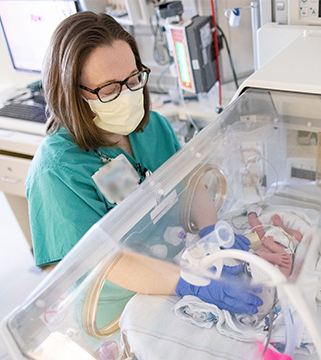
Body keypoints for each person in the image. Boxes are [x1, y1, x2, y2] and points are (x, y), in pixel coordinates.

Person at [26, 12, 261, 324]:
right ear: (73, 94)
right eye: (109, 89)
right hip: (117, 310)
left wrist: (211, 232)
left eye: (134, 79)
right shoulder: (57, 171)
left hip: (177, 274)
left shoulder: (151, 127)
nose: (128, 95)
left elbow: (190, 183)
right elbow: (104, 261)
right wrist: (190, 284)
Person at [247, 210, 303, 278]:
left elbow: (253, 255)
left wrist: (270, 257)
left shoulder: (254, 271)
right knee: (298, 236)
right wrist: (272, 246)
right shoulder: (279, 276)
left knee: (255, 225)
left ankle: (251, 213)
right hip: (286, 241)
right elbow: (287, 259)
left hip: (265, 239)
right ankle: (282, 227)